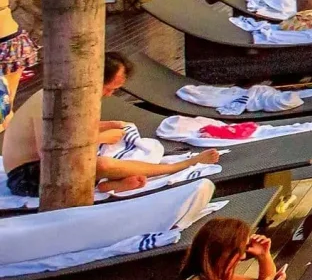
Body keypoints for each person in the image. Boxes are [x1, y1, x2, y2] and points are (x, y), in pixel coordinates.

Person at [2, 53, 217, 197]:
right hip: (25, 176)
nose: (109, 95)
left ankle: (107, 185)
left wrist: (110, 125)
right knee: (101, 163)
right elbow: (52, 153)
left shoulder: (72, 96)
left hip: (47, 164)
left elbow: (69, 134)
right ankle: (176, 167)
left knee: (113, 149)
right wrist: (100, 137)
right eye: (110, 88)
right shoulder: (52, 99)